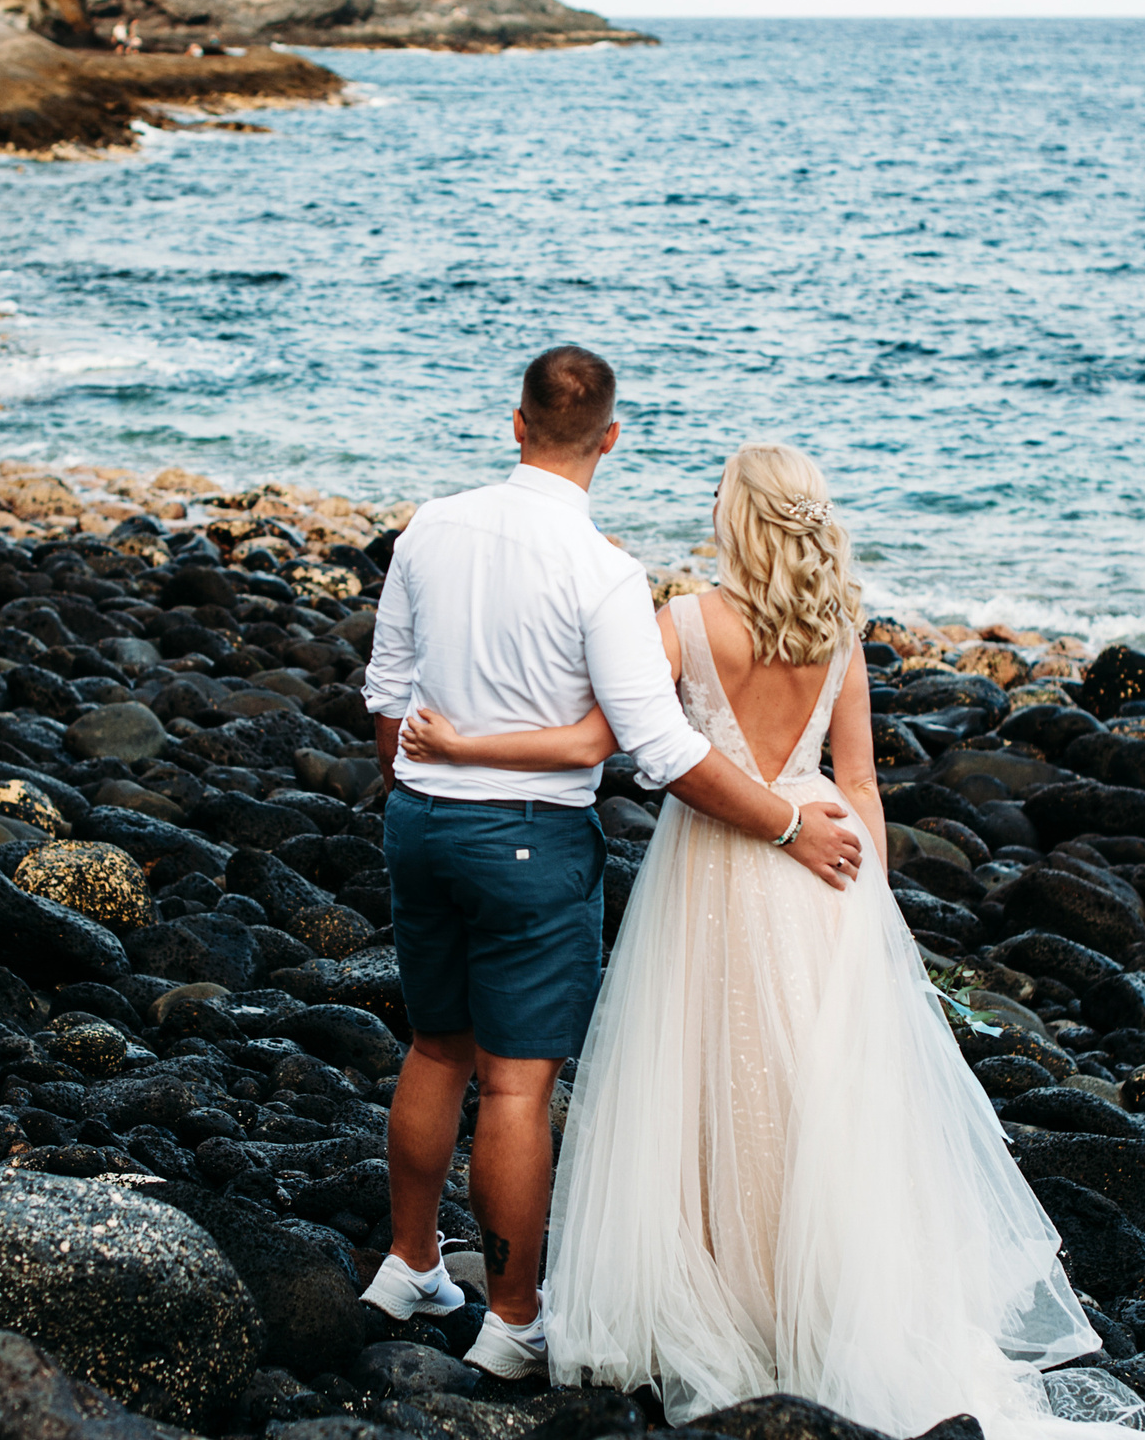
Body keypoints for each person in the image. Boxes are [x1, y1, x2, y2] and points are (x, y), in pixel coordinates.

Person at [402, 444, 1145, 1436]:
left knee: (709, 1085)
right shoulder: (839, 629)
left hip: (720, 856)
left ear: (735, 520)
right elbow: (858, 782)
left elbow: (596, 741)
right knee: (815, 1094)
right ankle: (813, 1309)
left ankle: (728, 1301)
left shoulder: (683, 620)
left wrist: (462, 742)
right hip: (823, 862)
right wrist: (877, 909)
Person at [359, 351, 867, 1380]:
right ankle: (511, 1320)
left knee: (433, 1047)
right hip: (528, 841)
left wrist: (423, 782)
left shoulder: (427, 529)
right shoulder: (603, 571)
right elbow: (663, 750)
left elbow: (385, 696)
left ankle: (408, 1261)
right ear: (610, 437)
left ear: (514, 422)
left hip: (419, 823)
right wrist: (788, 825)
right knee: (513, 1086)